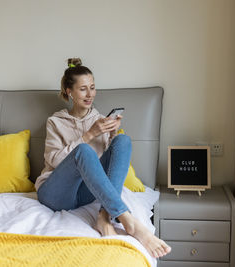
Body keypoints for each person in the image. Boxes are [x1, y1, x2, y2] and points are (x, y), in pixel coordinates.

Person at [35, 58, 171, 258]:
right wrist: (89, 135)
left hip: (85, 192)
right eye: (83, 89)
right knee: (84, 151)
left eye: (92, 87)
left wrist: (112, 134)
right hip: (55, 193)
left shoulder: (99, 119)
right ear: (68, 92)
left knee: (123, 140)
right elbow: (54, 160)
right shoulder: (55, 122)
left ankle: (105, 215)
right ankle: (127, 219)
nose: (90, 94)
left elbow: (102, 168)